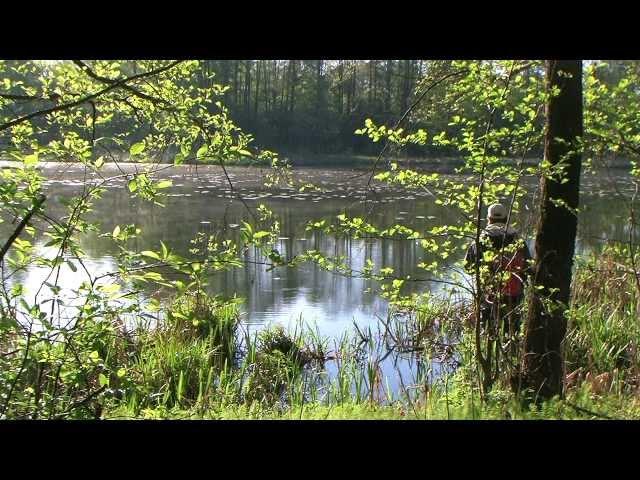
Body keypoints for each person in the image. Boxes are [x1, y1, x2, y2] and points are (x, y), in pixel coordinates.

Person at [464, 203, 532, 337]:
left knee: (489, 331)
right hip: (514, 295)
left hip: (489, 295)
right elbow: (528, 266)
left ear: (488, 219)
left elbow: (468, 267)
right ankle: (511, 352)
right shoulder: (518, 240)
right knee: (512, 331)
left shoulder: (480, 240)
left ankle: (489, 349)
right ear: (506, 219)